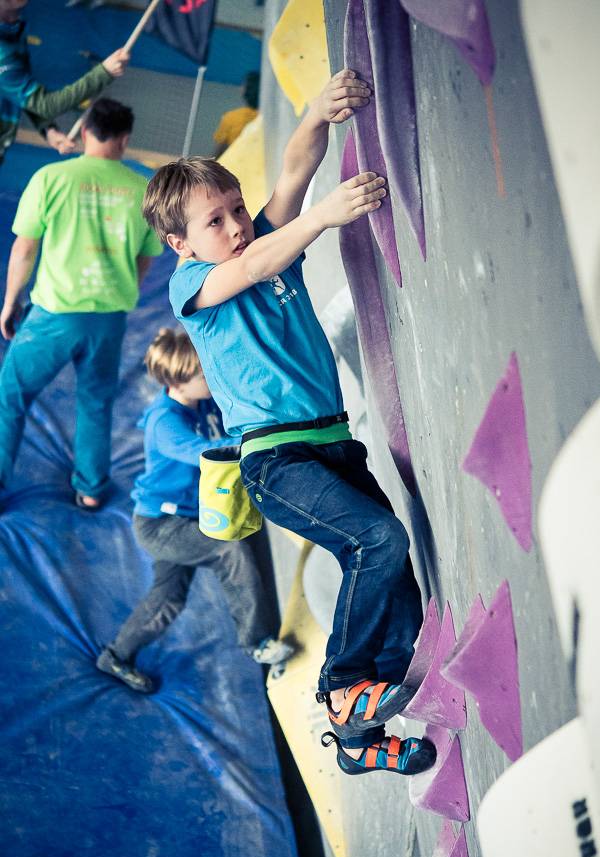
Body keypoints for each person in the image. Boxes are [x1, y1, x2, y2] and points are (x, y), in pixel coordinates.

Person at [141, 69, 436, 777]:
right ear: (181, 244)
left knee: (398, 587)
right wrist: (319, 219)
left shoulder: (263, 239)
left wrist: (314, 114)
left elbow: (296, 171)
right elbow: (256, 263)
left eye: (237, 209)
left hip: (333, 444)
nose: (236, 226)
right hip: (278, 462)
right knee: (379, 539)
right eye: (215, 222)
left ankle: (362, 737)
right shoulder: (194, 286)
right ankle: (341, 689)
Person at [96, 327, 294, 693]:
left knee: (167, 599)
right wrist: (260, 440)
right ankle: (257, 642)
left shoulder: (200, 400)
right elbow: (209, 454)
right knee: (229, 548)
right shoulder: (165, 423)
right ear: (178, 383)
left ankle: (116, 656)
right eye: (202, 374)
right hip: (162, 524)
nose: (209, 377)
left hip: (187, 516)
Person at [0, 97, 162, 509]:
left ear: (85, 131)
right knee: (95, 402)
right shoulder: (142, 191)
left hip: (54, 314)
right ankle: (90, 490)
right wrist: (123, 292)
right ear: (124, 139)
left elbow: (24, 249)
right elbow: (145, 258)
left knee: (10, 398)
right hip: (108, 318)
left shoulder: (51, 177)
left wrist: (10, 302)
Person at [0, 0, 129, 162]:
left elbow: (20, 91)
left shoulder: (12, 26)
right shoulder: (2, 50)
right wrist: (104, 72)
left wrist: (48, 129)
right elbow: (46, 105)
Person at [213, 70, 259, 157]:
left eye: (243, 86)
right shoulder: (268, 120)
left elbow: (219, 151)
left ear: (246, 90)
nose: (240, 88)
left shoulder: (231, 117)